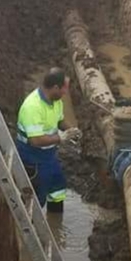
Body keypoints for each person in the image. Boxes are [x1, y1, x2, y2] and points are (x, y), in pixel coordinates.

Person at [16, 68, 80, 213]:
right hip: (32, 157)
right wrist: (61, 138)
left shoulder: (55, 101)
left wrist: (71, 130)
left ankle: (55, 224)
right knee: (37, 197)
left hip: (49, 155)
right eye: (64, 89)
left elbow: (59, 120)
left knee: (57, 189)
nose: (65, 92)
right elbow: (35, 140)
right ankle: (34, 229)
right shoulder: (33, 107)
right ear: (55, 88)